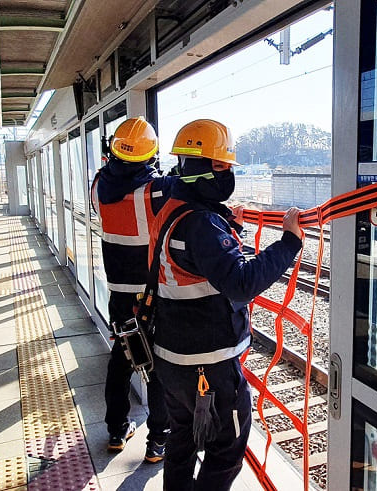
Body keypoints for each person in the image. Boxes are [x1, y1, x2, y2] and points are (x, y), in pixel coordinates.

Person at [149, 119, 302, 490]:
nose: (229, 173)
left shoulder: (172, 209)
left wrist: (224, 223)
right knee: (225, 451)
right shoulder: (202, 222)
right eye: (221, 165)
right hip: (208, 366)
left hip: (171, 358)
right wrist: (290, 243)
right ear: (199, 167)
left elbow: (198, 262)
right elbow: (240, 283)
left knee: (182, 441)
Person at [91, 117, 173, 462]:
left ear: (113, 148)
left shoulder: (98, 184)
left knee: (122, 358)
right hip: (152, 296)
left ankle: (116, 430)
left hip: (119, 293)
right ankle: (157, 441)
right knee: (158, 366)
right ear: (150, 153)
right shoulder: (153, 190)